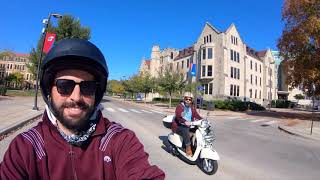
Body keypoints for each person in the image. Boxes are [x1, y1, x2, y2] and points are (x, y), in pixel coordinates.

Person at [0, 39, 165, 180]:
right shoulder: (26, 147)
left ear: (96, 93)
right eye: (64, 86)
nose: (76, 97)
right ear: (49, 89)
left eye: (87, 87)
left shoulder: (119, 140)